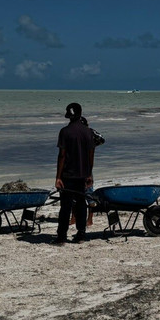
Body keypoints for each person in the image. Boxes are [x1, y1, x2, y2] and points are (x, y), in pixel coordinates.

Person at [56, 102, 95, 243]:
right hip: (83, 174)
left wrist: (58, 177)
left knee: (65, 207)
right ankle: (81, 234)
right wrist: (89, 174)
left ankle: (61, 236)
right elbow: (91, 155)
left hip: (68, 175)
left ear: (69, 115)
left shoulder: (65, 132)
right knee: (81, 204)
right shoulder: (88, 132)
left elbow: (62, 156)